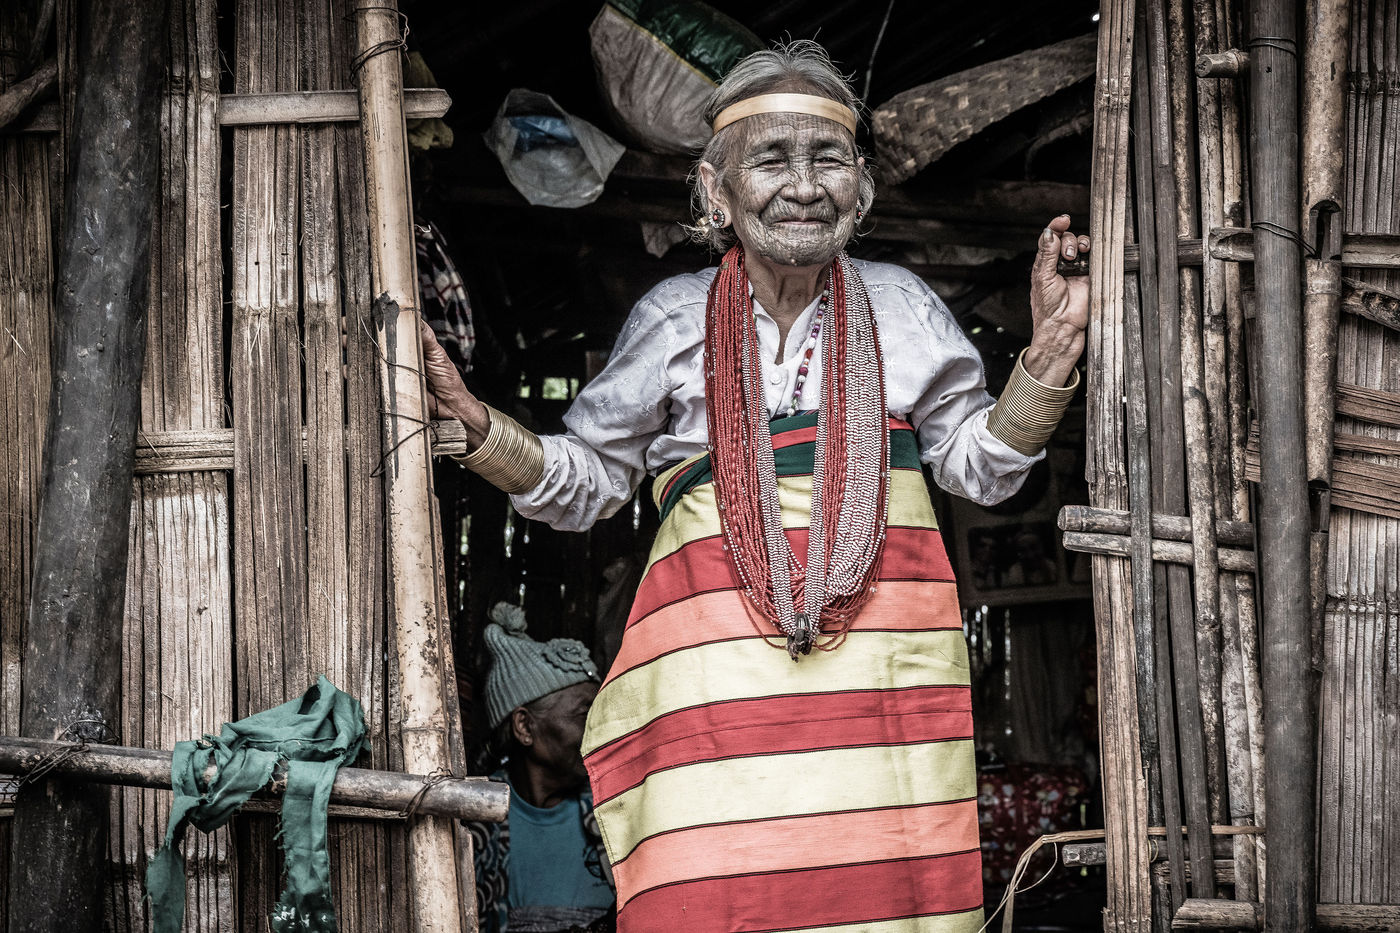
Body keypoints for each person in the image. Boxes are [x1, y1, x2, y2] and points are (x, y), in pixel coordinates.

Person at [427, 40, 1089, 933]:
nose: (804, 185)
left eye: (828, 159)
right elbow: (586, 484)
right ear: (716, 190)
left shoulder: (901, 306)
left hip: (876, 705)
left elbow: (979, 468)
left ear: (860, 186)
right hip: (717, 718)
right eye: (772, 158)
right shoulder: (670, 318)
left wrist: (1046, 355)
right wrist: (479, 431)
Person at [468, 603, 615, 933]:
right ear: (524, 727)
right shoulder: (474, 827)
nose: (601, 729)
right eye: (584, 715)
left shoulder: (613, 815)